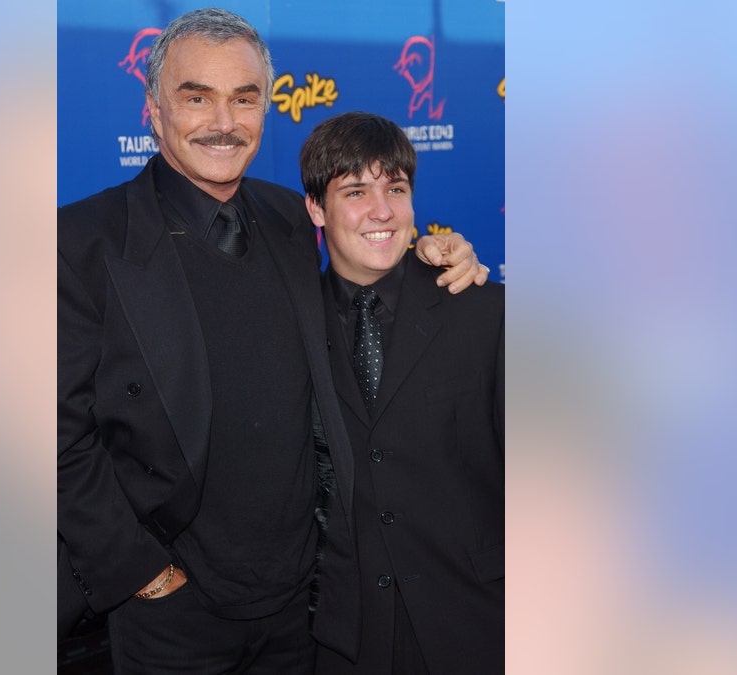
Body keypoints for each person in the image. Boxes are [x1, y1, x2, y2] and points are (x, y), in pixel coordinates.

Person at [58, 9, 487, 673]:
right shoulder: (81, 243)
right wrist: (144, 577)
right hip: (173, 613)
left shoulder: (288, 215)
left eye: (244, 98)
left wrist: (433, 258)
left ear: (266, 108)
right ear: (153, 109)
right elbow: (55, 437)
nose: (223, 121)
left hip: (300, 604)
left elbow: (356, 316)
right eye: (196, 96)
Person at [299, 111, 504, 674]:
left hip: (478, 622)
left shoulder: (487, 311)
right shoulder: (290, 324)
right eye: (356, 191)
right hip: (346, 637)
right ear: (316, 208)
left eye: (396, 188)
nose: (382, 211)